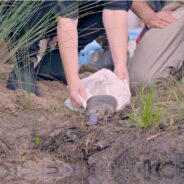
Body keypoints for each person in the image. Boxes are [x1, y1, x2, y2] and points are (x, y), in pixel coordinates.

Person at [6, 1, 132, 106]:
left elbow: (115, 11)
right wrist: (73, 79)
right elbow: (67, 21)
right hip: (22, 13)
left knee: (101, 8)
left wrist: (120, 64)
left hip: (58, 16)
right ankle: (23, 61)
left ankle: (55, 61)